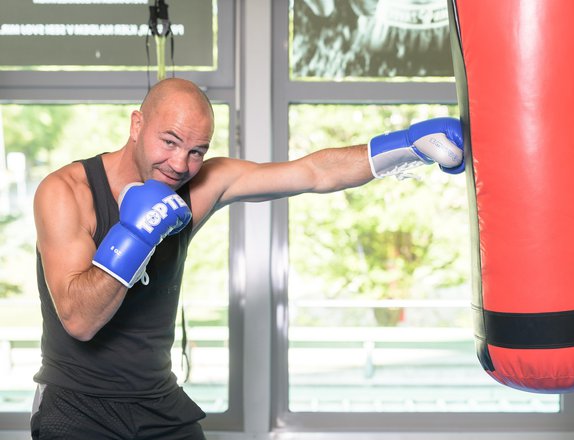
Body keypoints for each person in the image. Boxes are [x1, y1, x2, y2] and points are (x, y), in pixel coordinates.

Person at [30, 78, 464, 439]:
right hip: (76, 407)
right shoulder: (67, 191)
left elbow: (314, 173)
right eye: (170, 142)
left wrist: (408, 147)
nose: (181, 164)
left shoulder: (200, 186)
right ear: (137, 124)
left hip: (157, 403)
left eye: (196, 150)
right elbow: (79, 320)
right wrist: (135, 234)